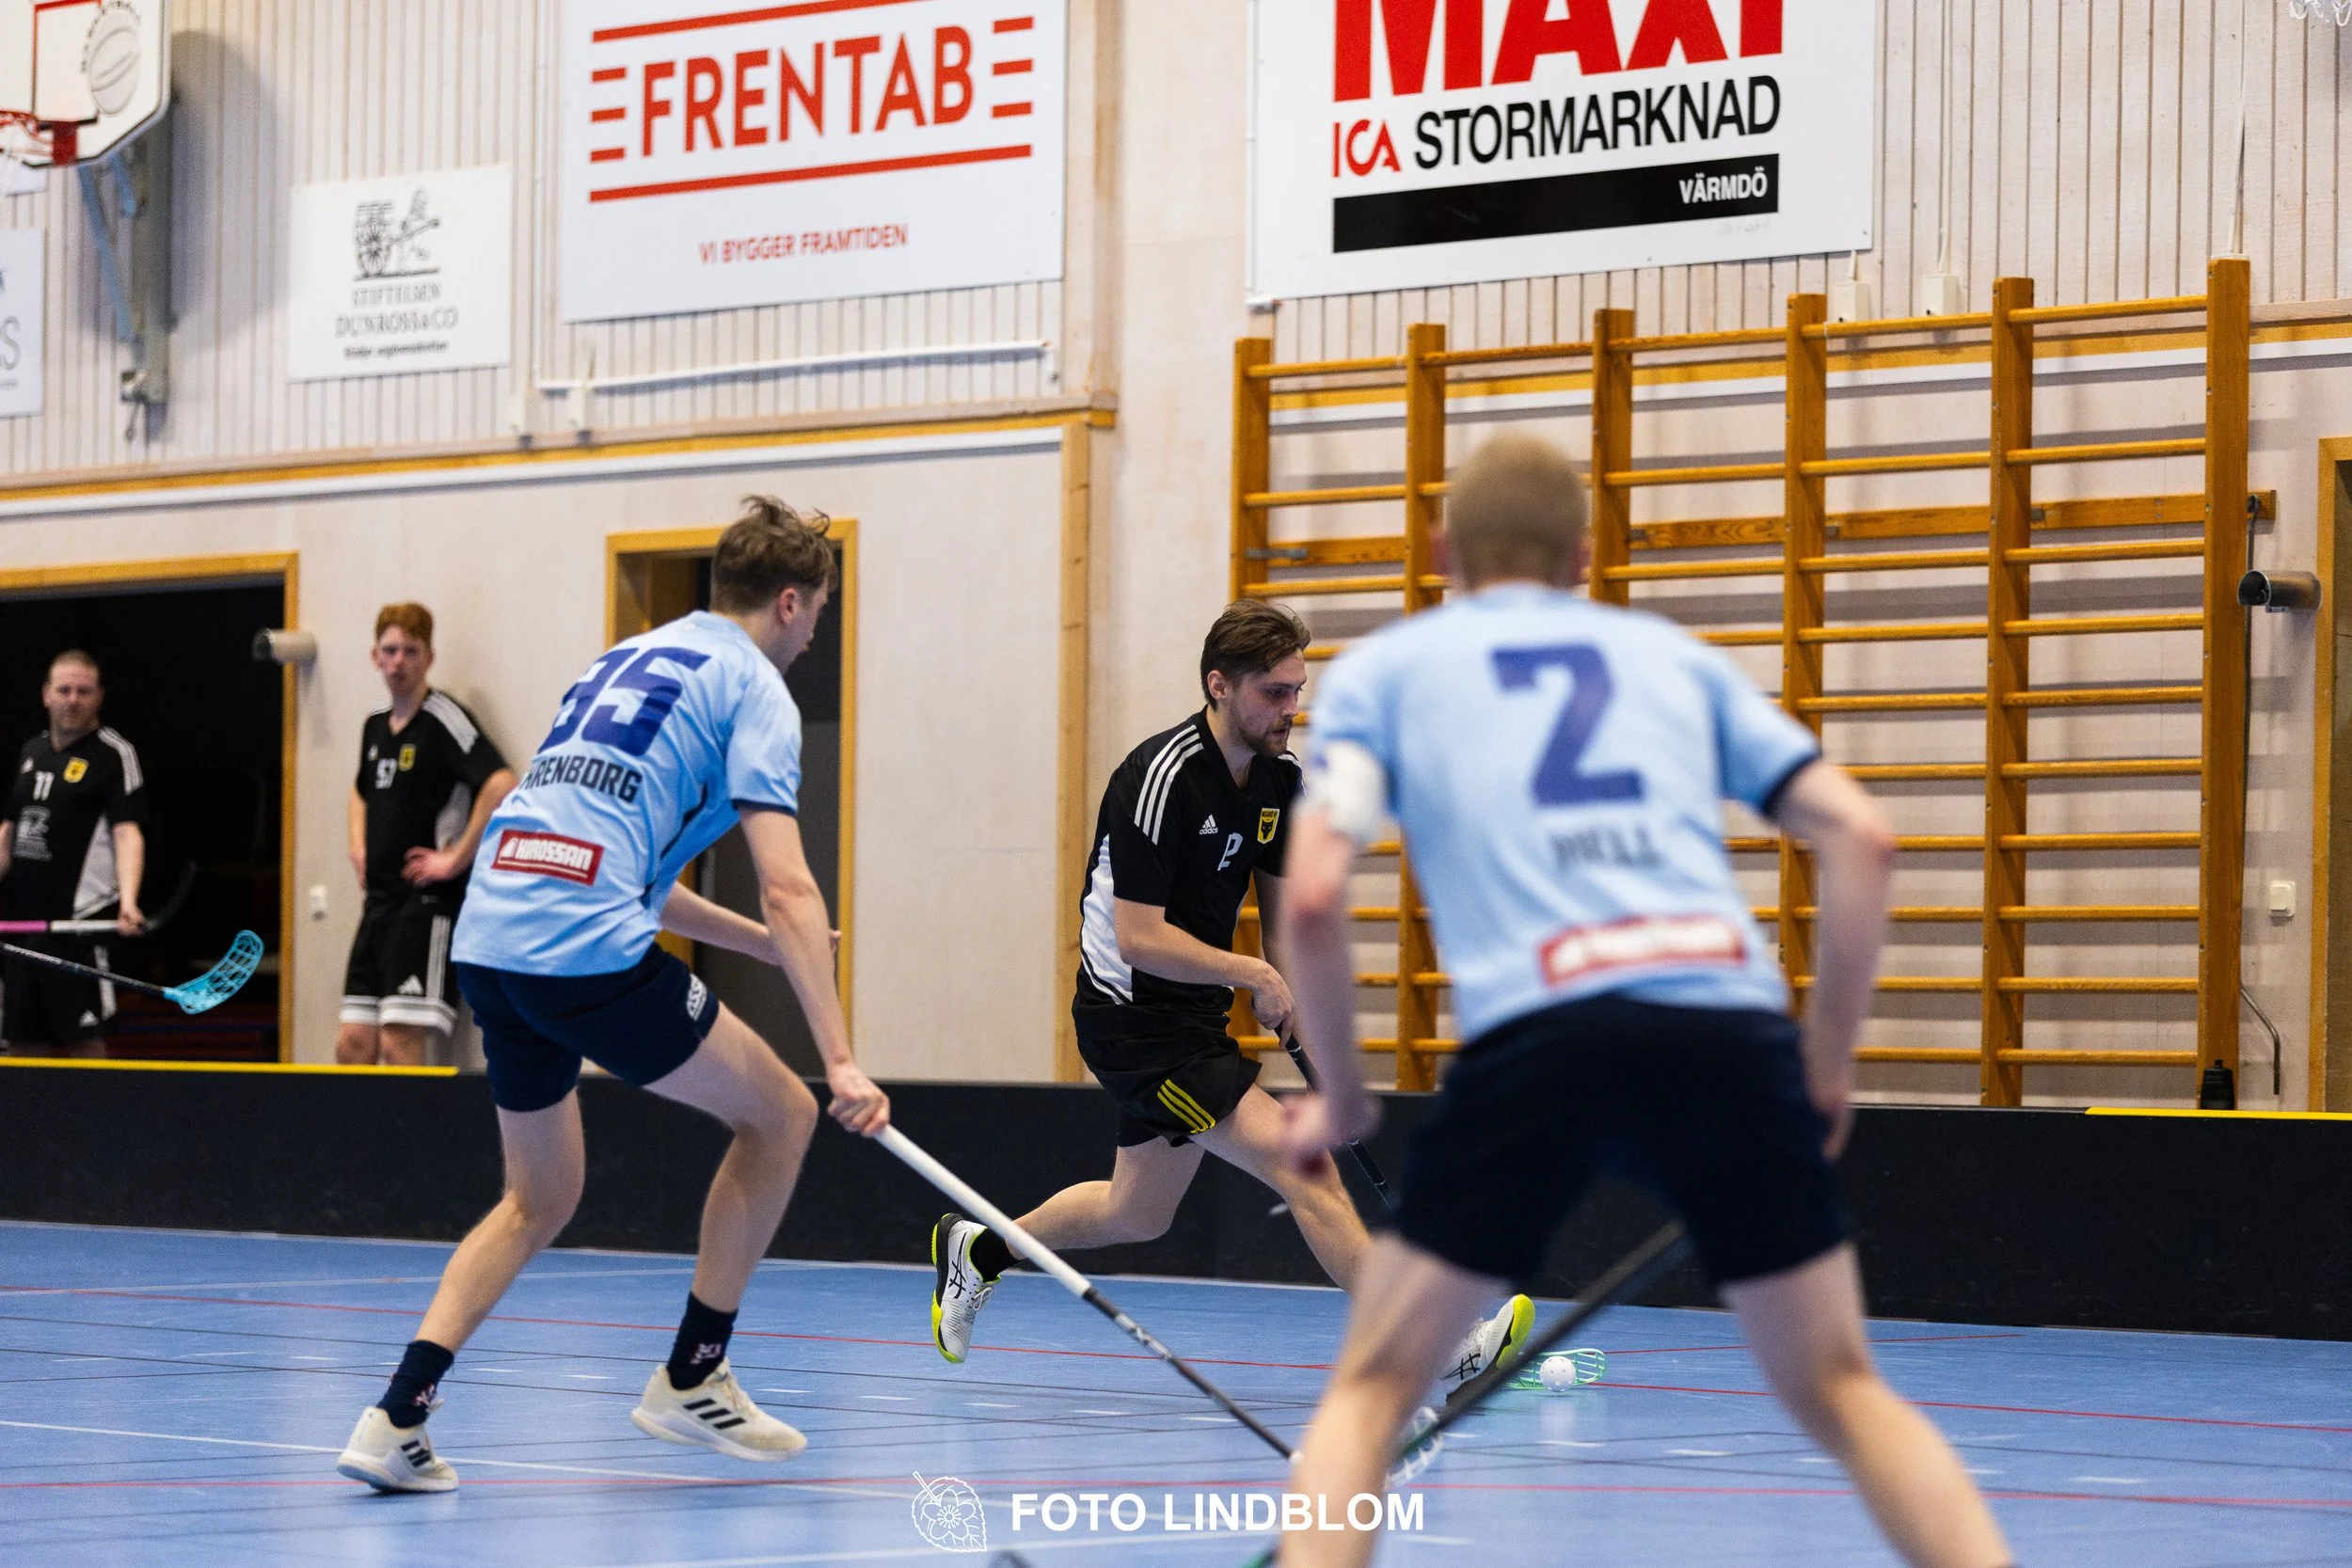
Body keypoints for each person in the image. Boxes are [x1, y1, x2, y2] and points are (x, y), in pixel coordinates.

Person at [1268, 434, 2013, 1567]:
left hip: (1542, 1036)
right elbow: (1864, 836)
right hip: (1724, 1031)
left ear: (1438, 551)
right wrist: (1820, 1064)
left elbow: (1313, 896)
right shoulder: (1672, 660)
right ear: (1583, 556)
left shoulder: (1389, 672)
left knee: (1371, 1388)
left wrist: (1346, 1097)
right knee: (1842, 1386)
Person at [335, 498, 890, 1494]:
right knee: (786, 1114)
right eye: (816, 617)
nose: (812, 637)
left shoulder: (623, 659)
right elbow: (790, 880)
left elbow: (634, 869)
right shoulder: (753, 686)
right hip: (581, 947)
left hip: (496, 939)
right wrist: (841, 1054)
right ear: (793, 600)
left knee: (538, 1195)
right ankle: (694, 1373)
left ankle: (396, 1415)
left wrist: (763, 948)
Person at [926, 602, 1529, 1386]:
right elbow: (1138, 937)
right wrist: (1253, 976)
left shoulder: (1280, 783)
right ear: (1219, 685)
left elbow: (1283, 937)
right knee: (1302, 1166)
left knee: (1135, 1211)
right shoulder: (1158, 778)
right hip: (1130, 1019)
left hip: (1194, 1014)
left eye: (1297, 690)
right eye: (1274, 693)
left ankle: (979, 1248)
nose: (1292, 708)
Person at [338, 604, 516, 1067]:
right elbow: (359, 792)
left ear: (428, 659)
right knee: (352, 1045)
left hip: (425, 906)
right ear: (374, 656)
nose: (399, 661)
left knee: (400, 1044)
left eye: (410, 652)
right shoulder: (375, 725)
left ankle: (403, 1141)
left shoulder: (444, 720)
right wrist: (358, 845)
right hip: (377, 902)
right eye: (390, 650)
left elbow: (501, 782)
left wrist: (455, 858)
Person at [0, 651, 148, 1057]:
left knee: (84, 1039)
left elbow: (127, 832)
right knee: (21, 1042)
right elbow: (10, 831)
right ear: (46, 694)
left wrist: (130, 903)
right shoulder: (31, 751)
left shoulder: (114, 753)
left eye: (83, 691)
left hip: (79, 923)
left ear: (99, 696)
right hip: (23, 926)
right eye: (63, 690)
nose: (72, 699)